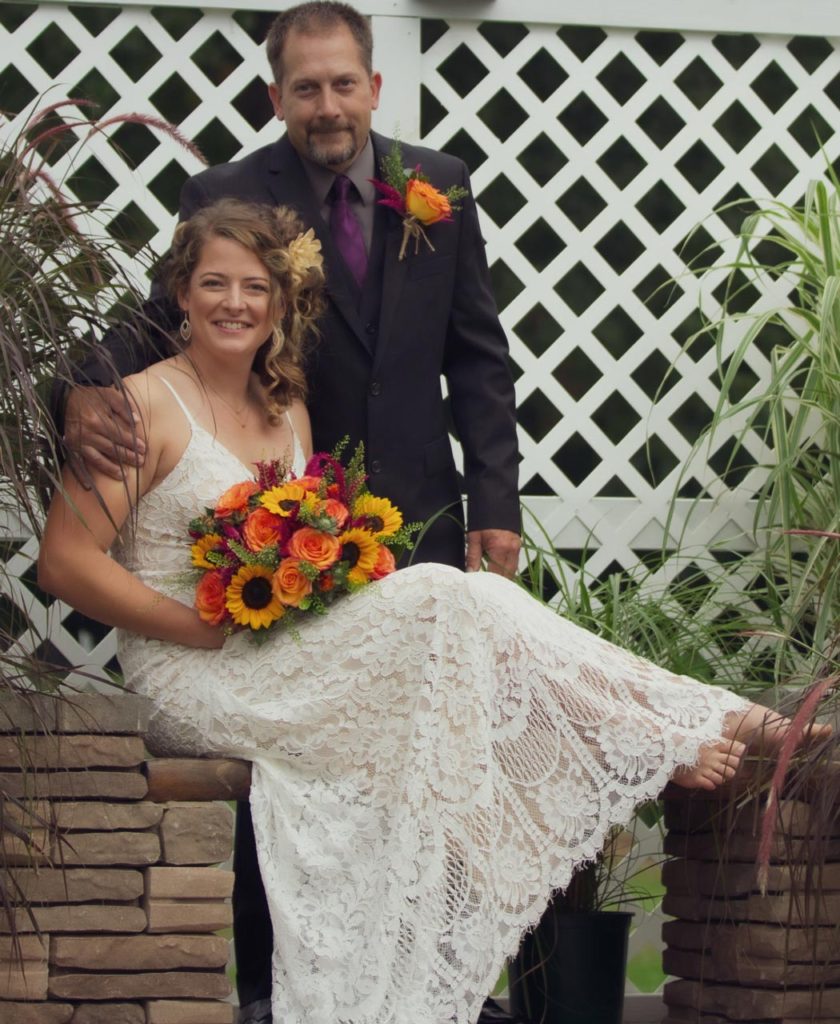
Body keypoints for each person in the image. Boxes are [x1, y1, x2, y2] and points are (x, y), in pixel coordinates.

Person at [40, 198, 826, 1024]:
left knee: (472, 602)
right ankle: (673, 730)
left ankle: (672, 730)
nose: (234, 303)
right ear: (182, 293)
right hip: (192, 670)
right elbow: (65, 560)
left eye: (254, 286)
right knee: (446, 591)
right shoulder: (137, 405)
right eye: (213, 284)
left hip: (279, 652)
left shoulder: (289, 411)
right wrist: (197, 625)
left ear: (281, 300)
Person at [58, 10, 519, 1014]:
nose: (327, 106)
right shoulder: (225, 193)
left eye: (343, 85)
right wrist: (81, 390)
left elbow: (478, 356)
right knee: (294, 762)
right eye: (305, 88)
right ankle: (275, 984)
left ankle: (436, 974)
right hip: (291, 516)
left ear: (373, 88)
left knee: (433, 754)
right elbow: (156, 319)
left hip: (424, 515)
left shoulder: (438, 184)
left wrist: (498, 506)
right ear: (277, 97)